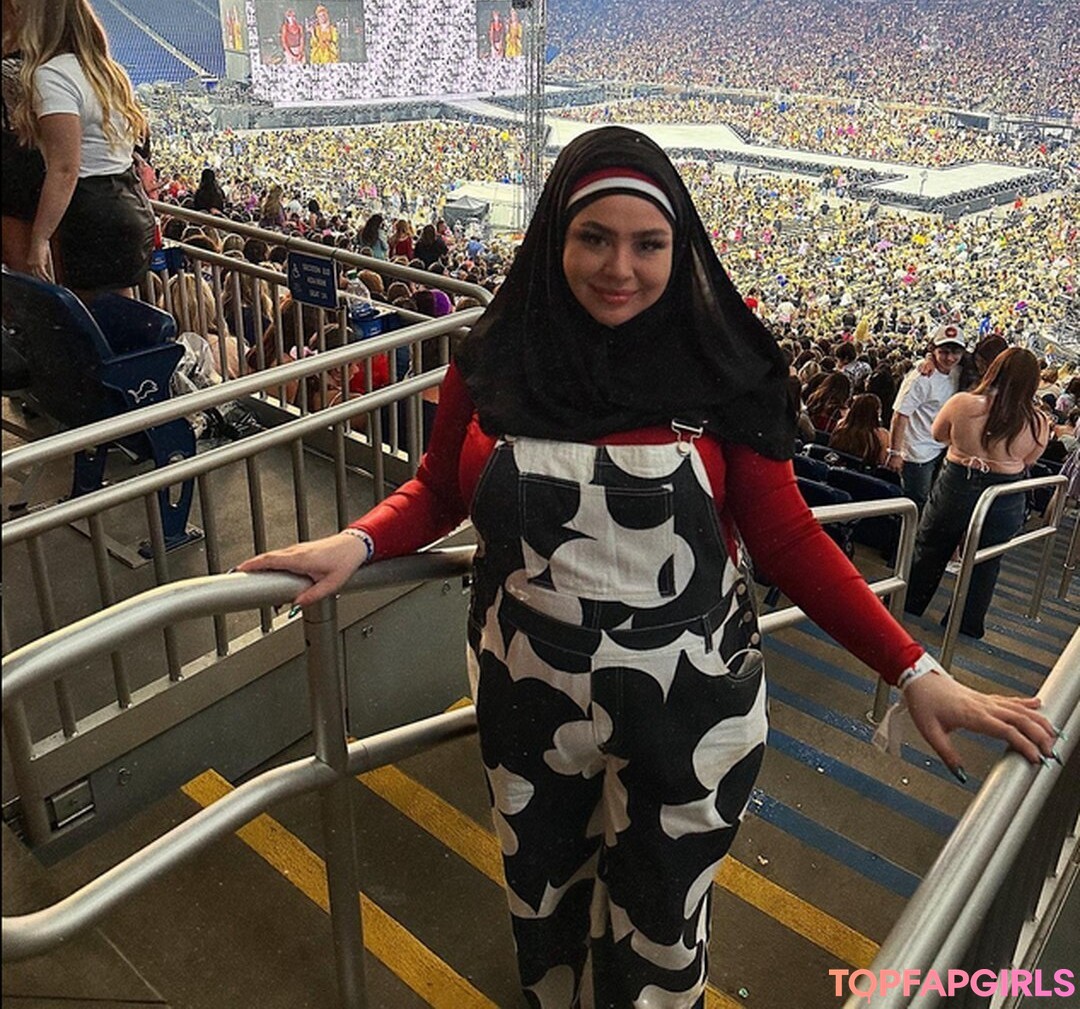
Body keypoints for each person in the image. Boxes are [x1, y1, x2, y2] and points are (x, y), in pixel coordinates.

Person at [239, 127, 1054, 1009]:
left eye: (648, 243)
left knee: (662, 933)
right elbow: (439, 488)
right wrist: (359, 542)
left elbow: (787, 537)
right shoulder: (494, 355)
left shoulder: (726, 369)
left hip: (691, 712)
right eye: (594, 237)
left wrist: (914, 669)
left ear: (680, 247)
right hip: (526, 698)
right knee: (539, 902)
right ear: (555, 237)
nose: (619, 267)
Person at [13, 0, 155, 302]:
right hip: (129, 203)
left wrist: (39, 238)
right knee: (120, 312)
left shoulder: (52, 75)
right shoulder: (108, 71)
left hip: (92, 212)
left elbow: (65, 168)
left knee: (90, 318)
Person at [904, 347, 1049, 639]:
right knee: (986, 561)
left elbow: (938, 434)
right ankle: (966, 625)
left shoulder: (962, 403)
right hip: (1005, 493)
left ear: (994, 370)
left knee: (931, 548)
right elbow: (1030, 459)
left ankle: (906, 607)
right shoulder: (1038, 422)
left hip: (958, 482)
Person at [886, 324, 965, 511]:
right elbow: (900, 416)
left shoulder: (958, 371)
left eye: (955, 352)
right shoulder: (920, 378)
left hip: (942, 448)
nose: (950, 358)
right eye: (943, 352)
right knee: (916, 502)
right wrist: (894, 453)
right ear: (933, 349)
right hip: (918, 453)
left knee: (934, 498)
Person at [2, 0, 46, 273]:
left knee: (26, 273)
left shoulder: (13, 68)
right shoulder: (45, 57)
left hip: (19, 174)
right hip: (33, 170)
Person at [829, 392, 889, 466]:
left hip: (837, 467)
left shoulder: (841, 424)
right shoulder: (882, 435)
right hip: (864, 471)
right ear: (877, 412)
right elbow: (882, 462)